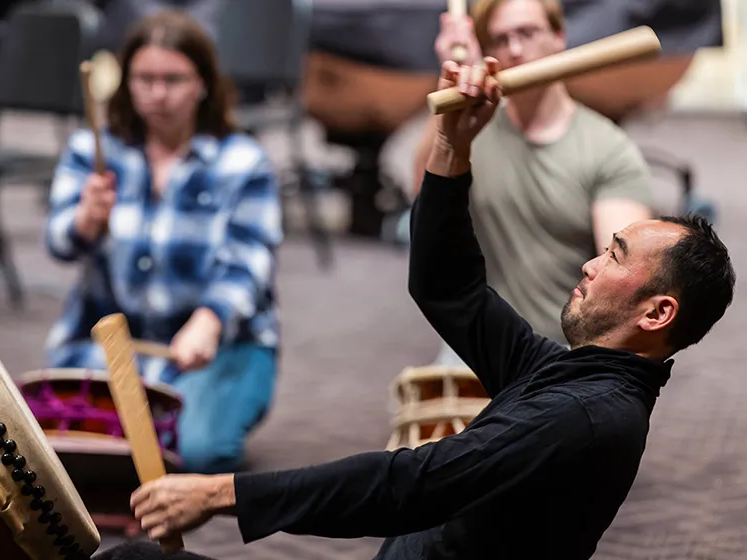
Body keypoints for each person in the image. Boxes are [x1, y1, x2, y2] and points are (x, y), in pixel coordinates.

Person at [118, 58, 736, 560]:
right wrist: (451, 144)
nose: (589, 265)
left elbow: (412, 483)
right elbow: (450, 289)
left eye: (614, 256)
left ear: (656, 314)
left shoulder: (584, 417)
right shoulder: (565, 376)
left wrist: (219, 492)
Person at [44, 10, 282, 475]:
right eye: (144, 79)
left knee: (195, 453)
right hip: (115, 341)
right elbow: (58, 244)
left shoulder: (243, 160)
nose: (157, 94)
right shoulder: (92, 149)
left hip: (217, 342)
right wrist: (85, 222)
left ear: (204, 83)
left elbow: (248, 263)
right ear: (125, 81)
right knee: (55, 443)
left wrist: (209, 321)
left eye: (174, 79)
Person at [411, 0, 654, 360]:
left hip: (560, 351)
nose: (515, 50)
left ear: (558, 37)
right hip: (478, 341)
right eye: (500, 39)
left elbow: (627, 280)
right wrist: (456, 84)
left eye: (527, 33)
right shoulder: (472, 128)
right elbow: (423, 200)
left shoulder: (609, 151)